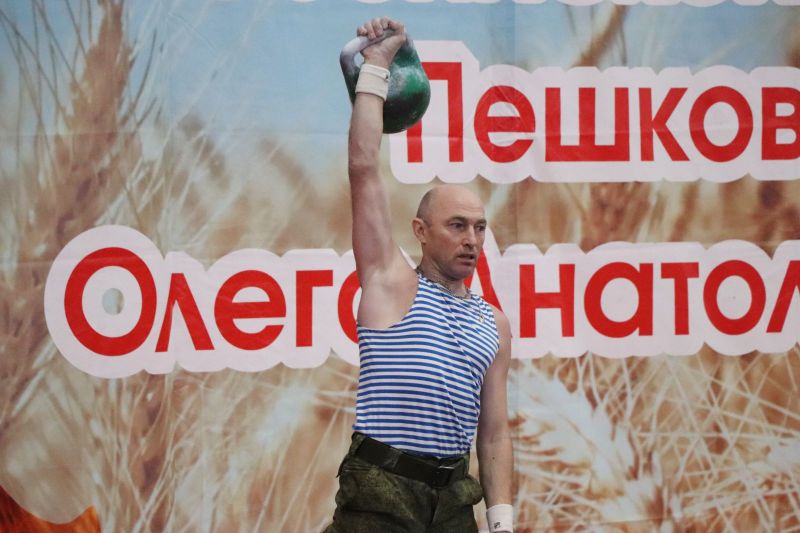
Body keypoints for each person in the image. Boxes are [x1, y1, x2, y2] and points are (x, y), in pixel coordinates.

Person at [325, 17, 513, 533]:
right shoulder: (389, 283)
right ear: (421, 231)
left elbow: (494, 435)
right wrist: (376, 66)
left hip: (453, 503)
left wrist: (502, 522)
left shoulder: (494, 325)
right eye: (457, 225)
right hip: (380, 495)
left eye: (479, 227)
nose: (472, 239)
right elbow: (363, 167)